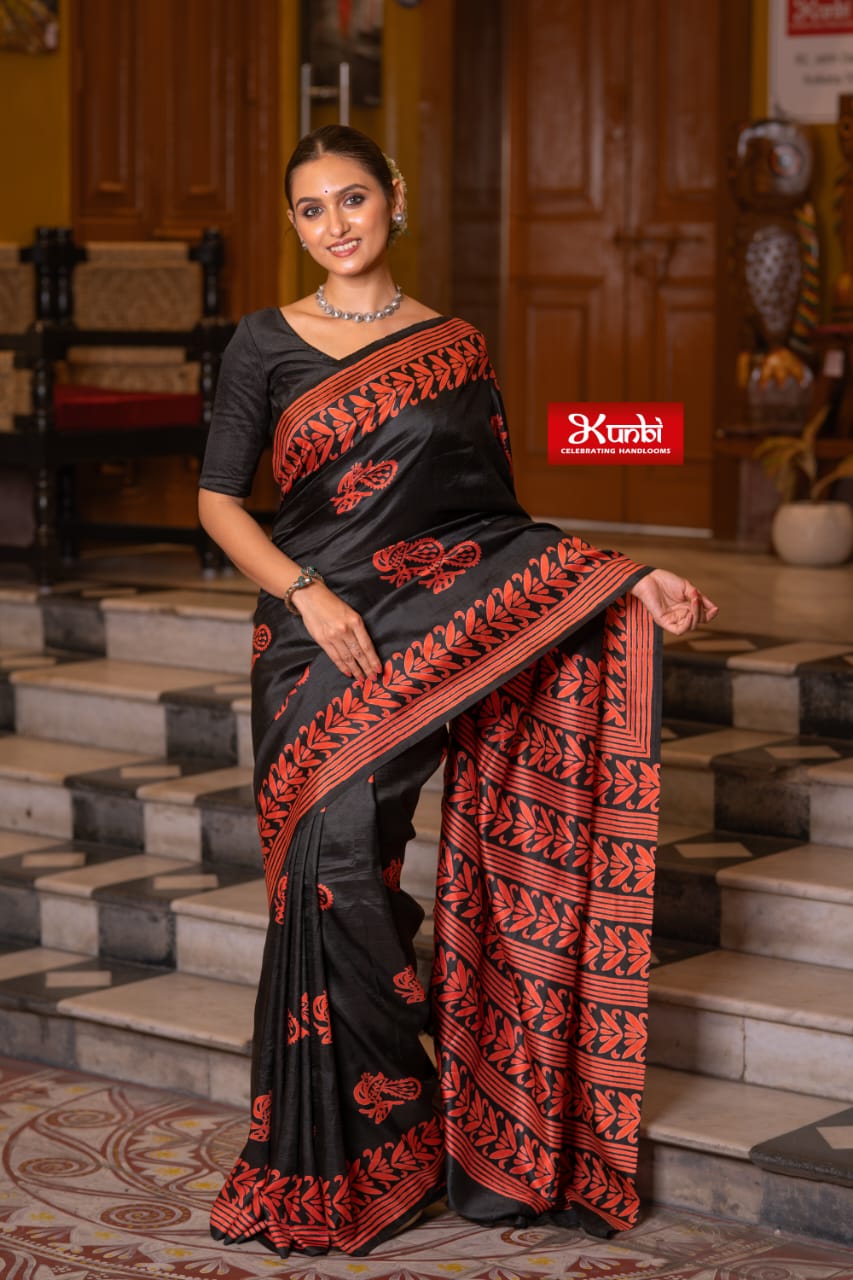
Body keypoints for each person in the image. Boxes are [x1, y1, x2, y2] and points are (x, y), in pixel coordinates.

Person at [198, 124, 718, 1259]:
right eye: (309, 209)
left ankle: (412, 1132)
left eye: (351, 198)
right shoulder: (263, 343)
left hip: (422, 637)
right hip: (310, 644)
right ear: (294, 224)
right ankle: (347, 1151)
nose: (334, 225)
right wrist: (306, 593)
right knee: (326, 872)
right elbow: (217, 502)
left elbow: (492, 522)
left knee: (366, 871)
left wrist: (626, 579)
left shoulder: (456, 346)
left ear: (394, 197)